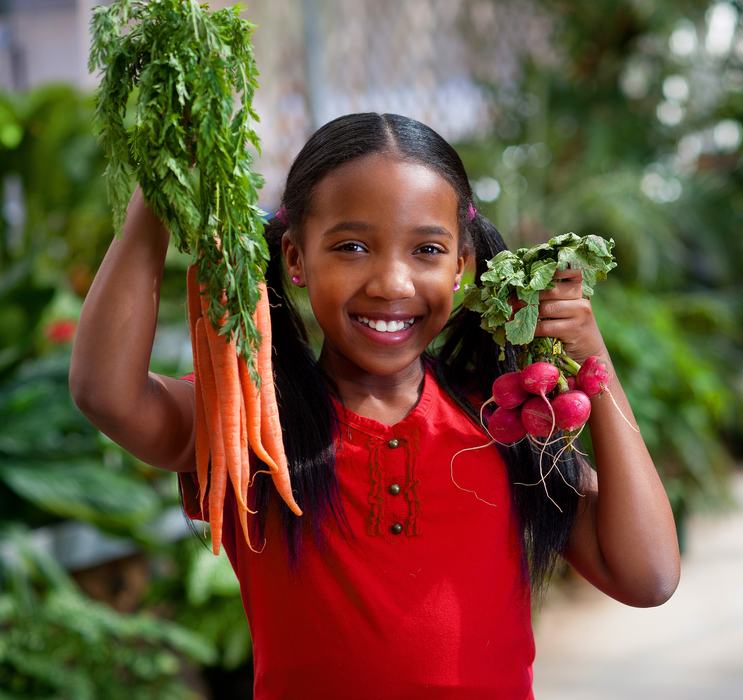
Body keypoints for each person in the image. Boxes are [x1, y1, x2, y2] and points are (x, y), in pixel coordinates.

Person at [69, 113, 680, 699]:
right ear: (295, 260)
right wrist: (153, 197)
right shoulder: (254, 423)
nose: (392, 283)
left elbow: (648, 575)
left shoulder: (500, 418)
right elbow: (108, 395)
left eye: (428, 251)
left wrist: (593, 365)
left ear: (463, 265)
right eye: (353, 247)